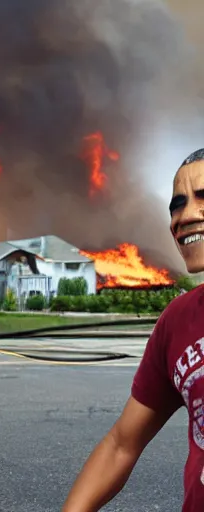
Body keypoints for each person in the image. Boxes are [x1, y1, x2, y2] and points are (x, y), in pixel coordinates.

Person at [62, 148, 204, 512]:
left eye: (203, 198)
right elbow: (120, 445)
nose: (185, 215)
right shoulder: (177, 322)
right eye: (177, 204)